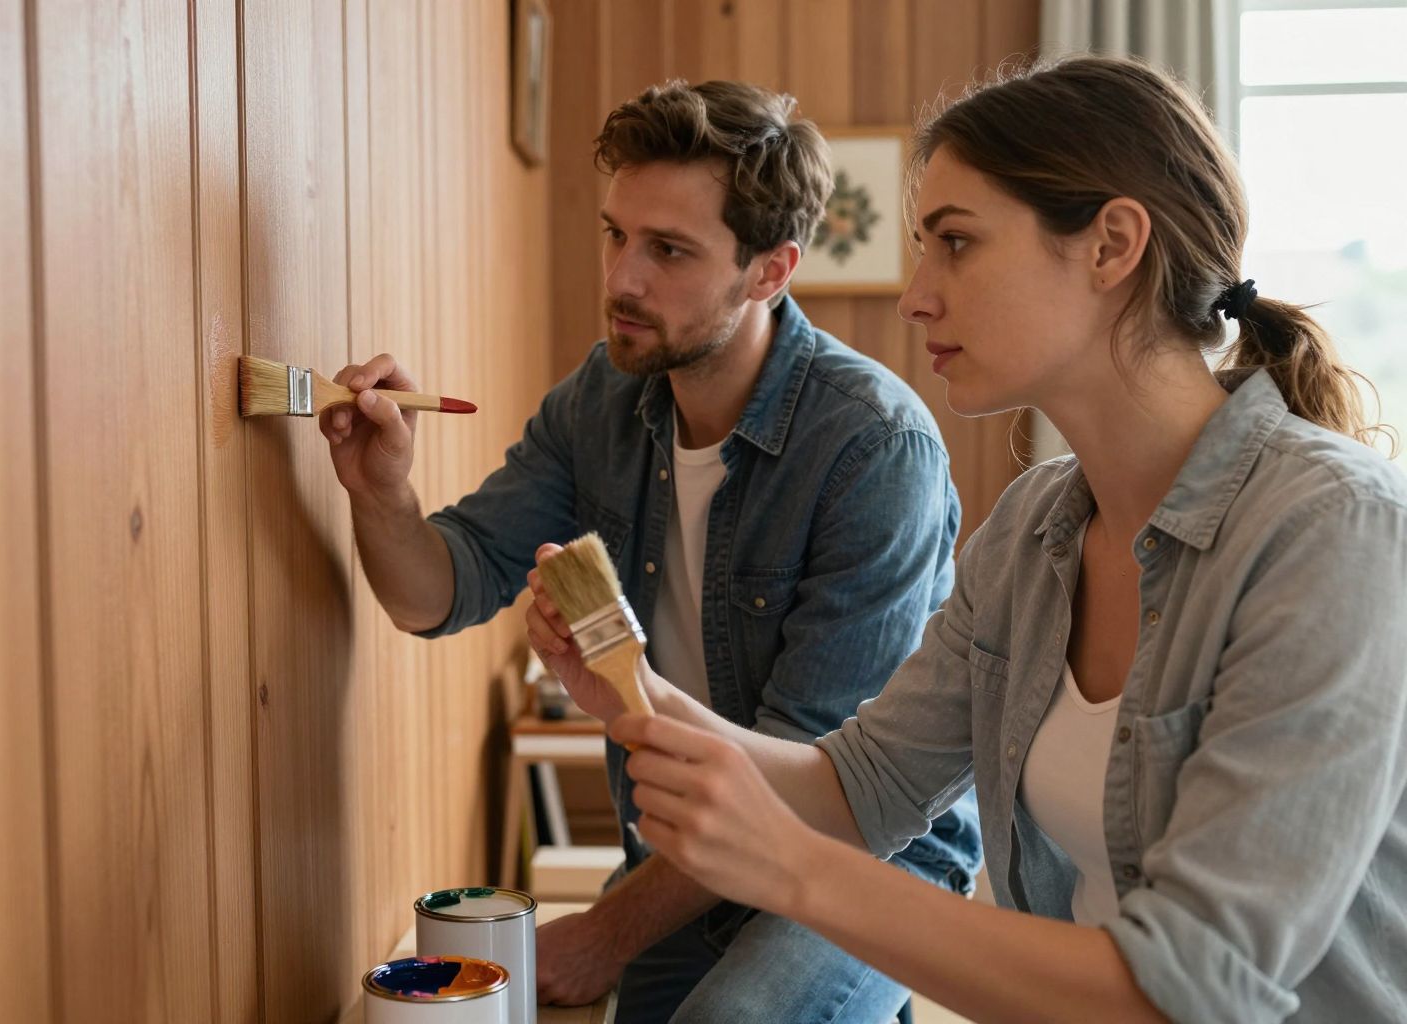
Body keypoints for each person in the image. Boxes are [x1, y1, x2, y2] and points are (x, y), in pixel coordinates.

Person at [528, 55, 1407, 1023]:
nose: (914, 296)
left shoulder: (1335, 529)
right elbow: (858, 784)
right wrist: (634, 690)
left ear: (1112, 244)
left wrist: (797, 873)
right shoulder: (1033, 531)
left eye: (956, 243)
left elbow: (1195, 986)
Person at [321, 79, 982, 1023]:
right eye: (616, 234)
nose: (622, 278)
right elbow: (439, 594)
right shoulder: (601, 401)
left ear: (770, 270)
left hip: (858, 860)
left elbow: (818, 786)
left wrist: (603, 933)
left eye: (668, 250)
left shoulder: (876, 449)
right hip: (685, 858)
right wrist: (382, 493)